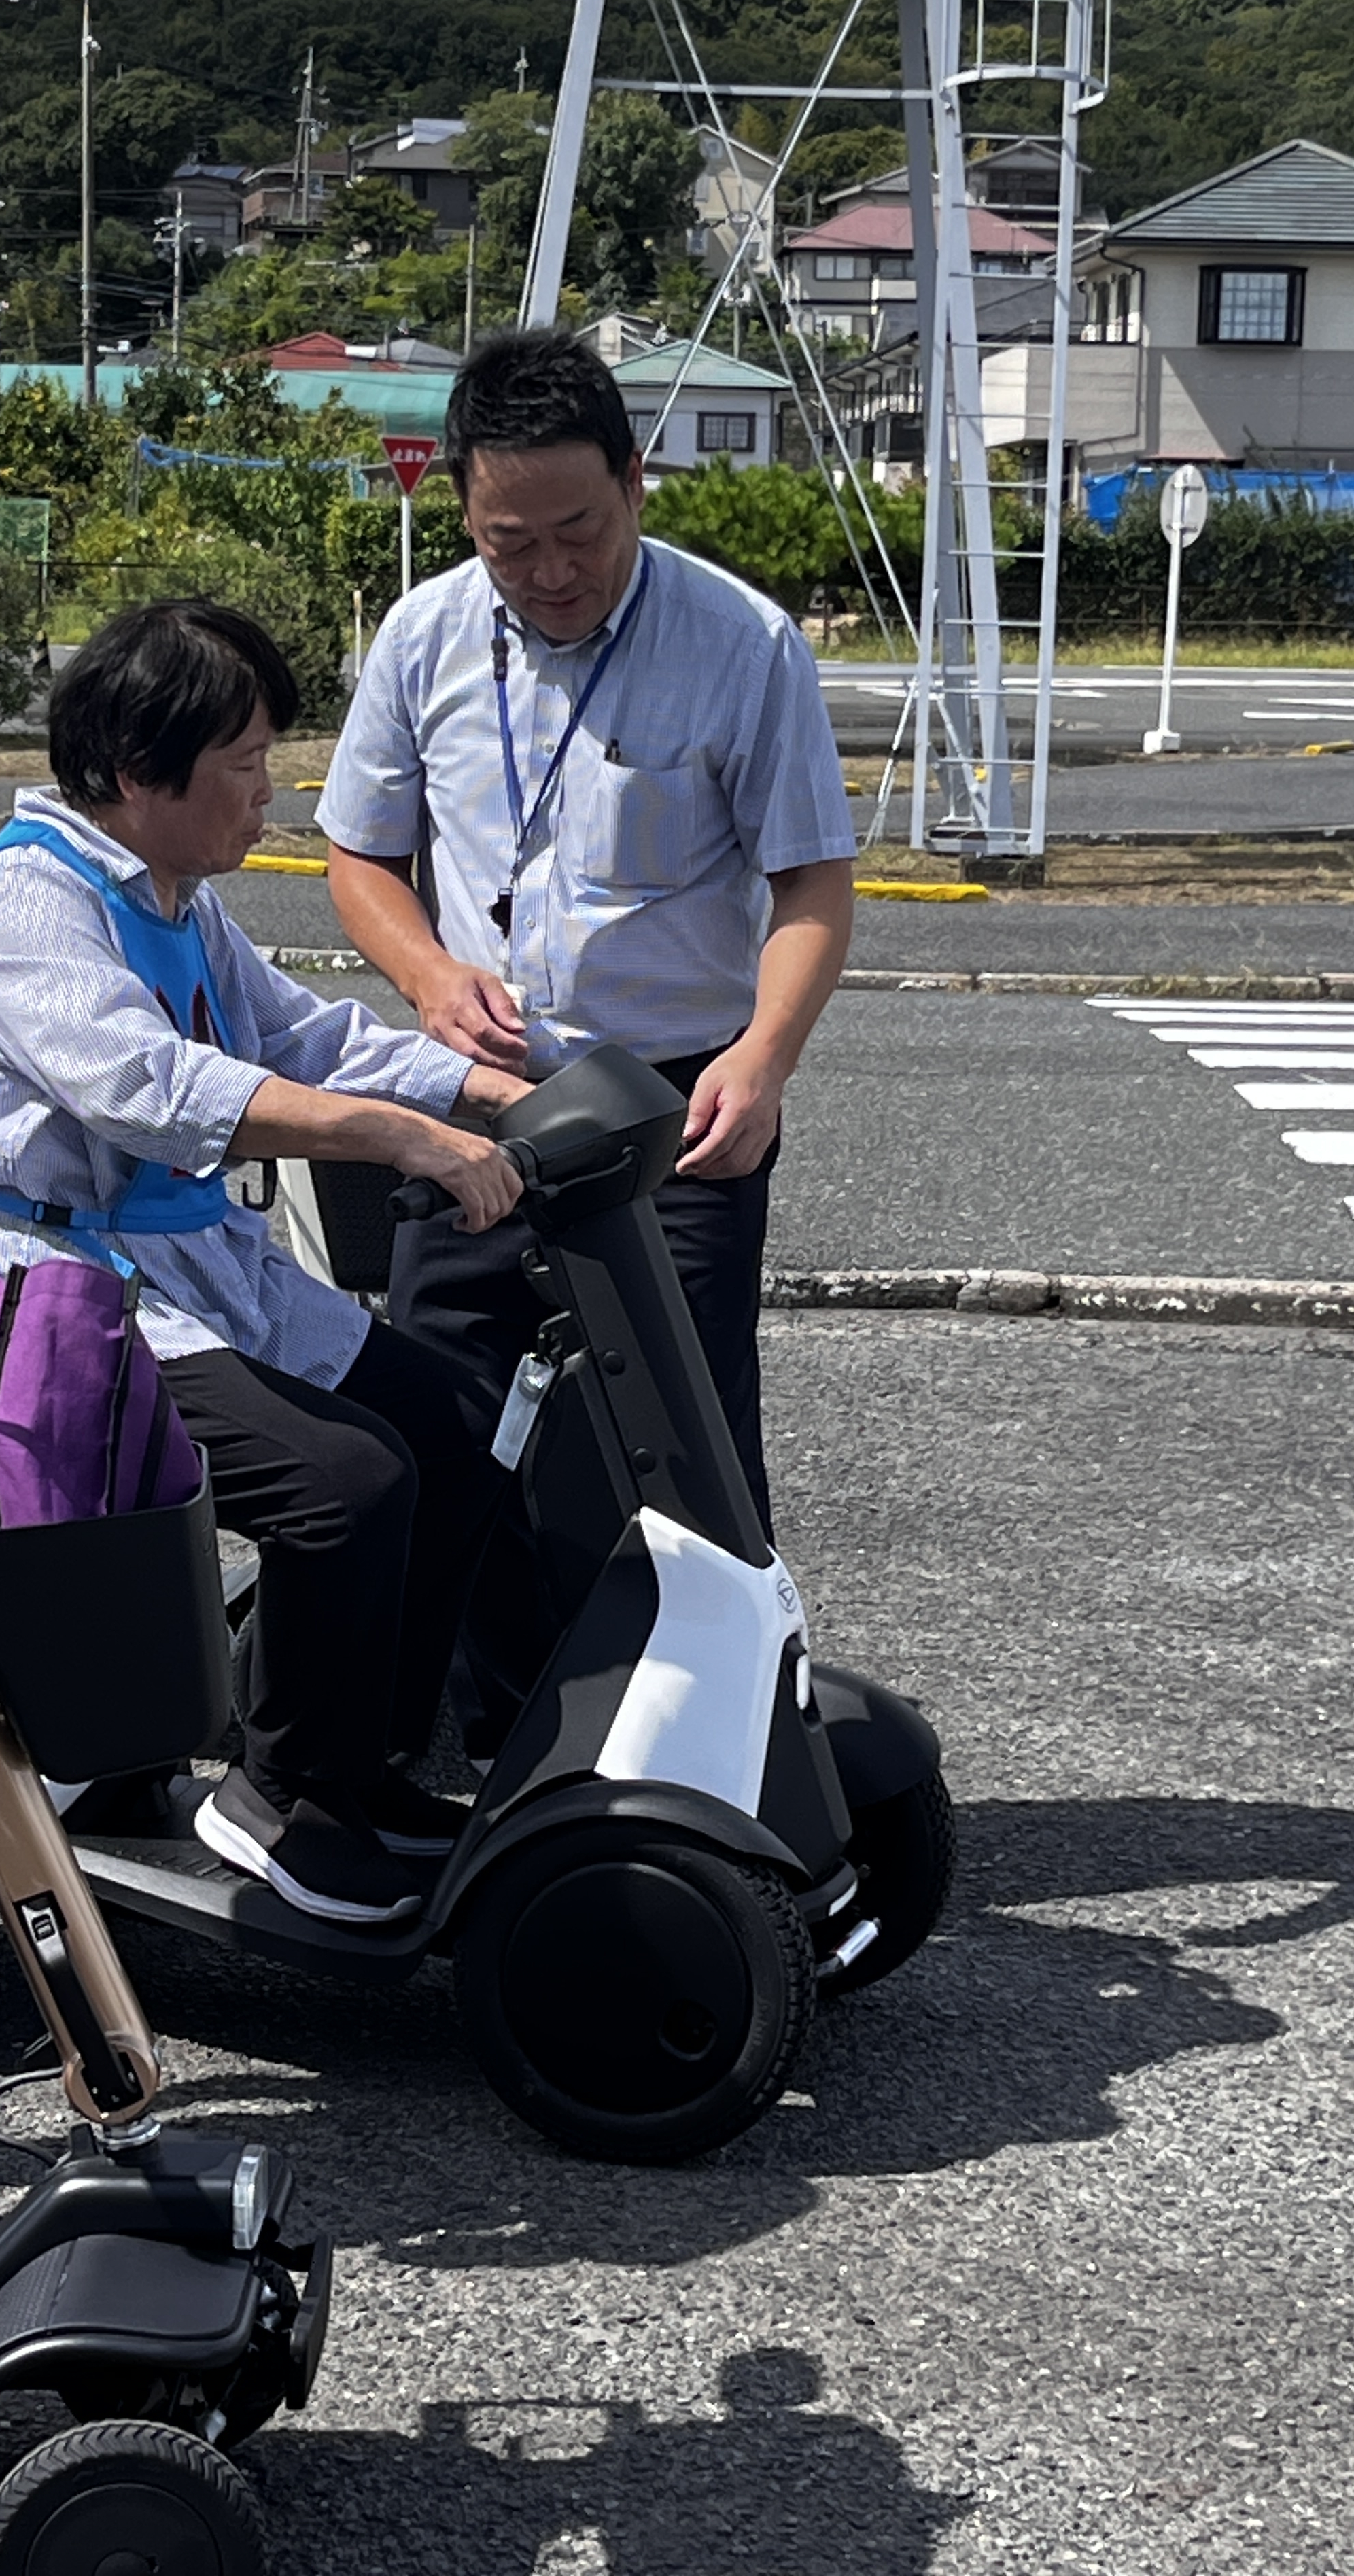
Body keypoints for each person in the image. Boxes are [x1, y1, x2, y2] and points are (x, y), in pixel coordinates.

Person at [0, 598, 527, 1928]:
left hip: (146, 1268)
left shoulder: (172, 898)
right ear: (134, 774)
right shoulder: (23, 904)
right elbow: (151, 1090)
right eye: (244, 765)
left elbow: (309, 1041)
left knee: (455, 1424)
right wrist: (407, 1136)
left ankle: (357, 1771)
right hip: (4, 1293)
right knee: (341, 1484)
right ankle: (279, 1798)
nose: (268, 795)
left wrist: (497, 1088)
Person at [317, 326, 857, 1750]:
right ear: (465, 516)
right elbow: (358, 859)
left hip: (678, 1109)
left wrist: (765, 1056)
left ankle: (714, 1743)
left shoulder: (742, 643)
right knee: (443, 1416)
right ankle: (467, 1736)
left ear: (637, 480)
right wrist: (428, 972)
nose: (551, 572)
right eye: (512, 544)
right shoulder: (423, 634)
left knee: (683, 1453)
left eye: (580, 532)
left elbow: (813, 882)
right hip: (478, 1095)